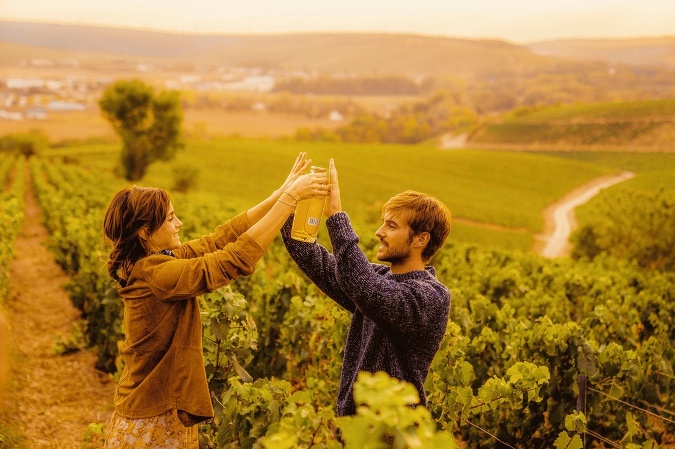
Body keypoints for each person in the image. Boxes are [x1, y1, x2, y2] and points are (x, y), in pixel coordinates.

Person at [102, 152, 328, 448]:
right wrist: (288, 201)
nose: (179, 223)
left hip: (158, 406)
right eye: (171, 218)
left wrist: (280, 194)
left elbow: (220, 238)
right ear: (145, 231)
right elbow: (229, 261)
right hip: (151, 416)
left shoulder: (153, 261)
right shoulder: (156, 273)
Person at [281, 158, 452, 417]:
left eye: (391, 226)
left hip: (393, 435)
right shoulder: (380, 277)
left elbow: (367, 289)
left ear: (420, 239)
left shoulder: (431, 297)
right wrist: (289, 199)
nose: (378, 232)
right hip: (354, 431)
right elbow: (310, 254)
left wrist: (337, 216)